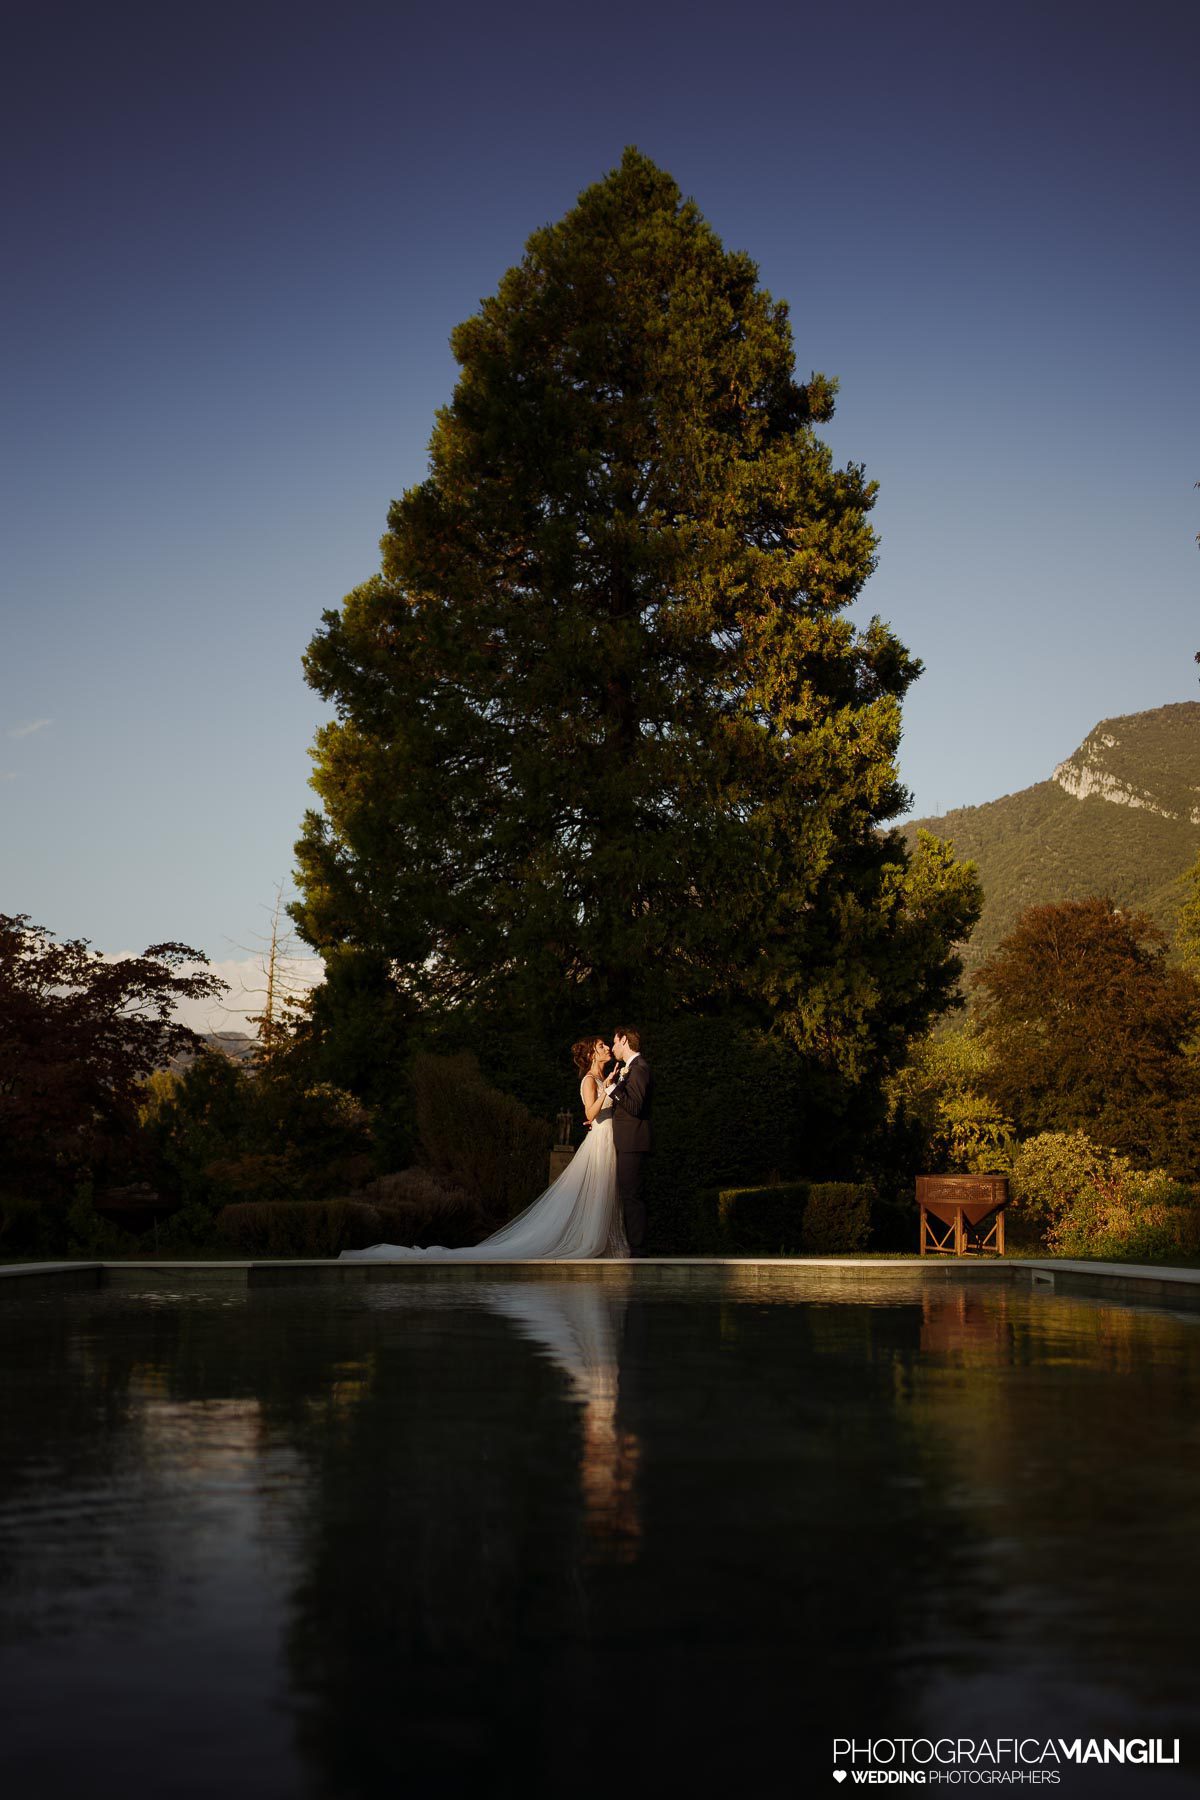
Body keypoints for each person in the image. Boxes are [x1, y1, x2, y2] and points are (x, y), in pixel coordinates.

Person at [338, 1037, 629, 1260]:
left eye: (606, 1045)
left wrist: (612, 1084)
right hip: (599, 1138)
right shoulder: (590, 1081)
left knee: (604, 1189)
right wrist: (607, 1091)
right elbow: (589, 1114)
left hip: (606, 1137)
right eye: (602, 1045)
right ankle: (591, 1242)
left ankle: (606, 1243)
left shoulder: (603, 1078)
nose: (606, 1048)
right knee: (595, 1189)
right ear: (591, 1053)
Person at [608, 1027, 654, 1255]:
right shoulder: (630, 1069)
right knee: (627, 1194)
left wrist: (613, 1090)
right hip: (625, 1141)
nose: (613, 1047)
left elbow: (634, 1107)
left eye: (614, 1042)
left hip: (632, 1142)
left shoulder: (639, 1069)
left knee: (631, 1196)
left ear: (624, 1040)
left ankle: (638, 1250)